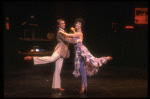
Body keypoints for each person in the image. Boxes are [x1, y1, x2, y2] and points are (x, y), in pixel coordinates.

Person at [24, 19, 82, 92]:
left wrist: (74, 36)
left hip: (63, 52)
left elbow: (68, 38)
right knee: (51, 59)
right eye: (62, 23)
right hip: (59, 50)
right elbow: (66, 40)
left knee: (58, 69)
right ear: (59, 25)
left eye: (64, 23)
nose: (64, 24)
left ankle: (56, 86)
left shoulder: (63, 32)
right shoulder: (60, 32)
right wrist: (77, 40)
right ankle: (33, 58)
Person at [59, 18, 113, 93]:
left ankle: (105, 58)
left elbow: (67, 35)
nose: (77, 24)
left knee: (93, 61)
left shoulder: (79, 33)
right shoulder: (77, 32)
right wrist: (73, 30)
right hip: (78, 53)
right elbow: (72, 37)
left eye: (79, 24)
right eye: (77, 23)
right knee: (83, 69)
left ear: (81, 26)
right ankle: (84, 86)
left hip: (82, 52)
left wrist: (60, 31)